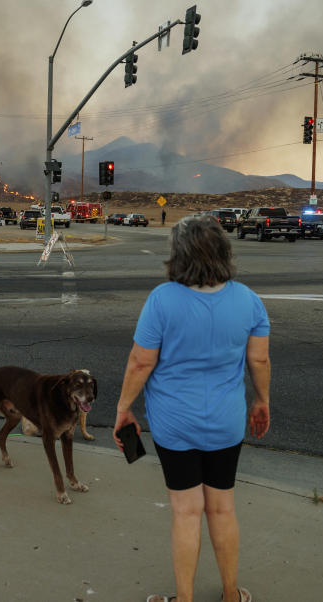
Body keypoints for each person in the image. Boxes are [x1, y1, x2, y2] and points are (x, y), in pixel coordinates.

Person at [112, 214, 270, 602]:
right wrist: (262, 400)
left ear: (177, 255)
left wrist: (123, 409)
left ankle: (184, 599)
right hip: (226, 422)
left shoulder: (162, 300)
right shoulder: (249, 300)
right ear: (224, 250)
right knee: (222, 508)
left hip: (175, 424)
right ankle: (231, 595)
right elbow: (259, 362)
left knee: (186, 511)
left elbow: (140, 362)